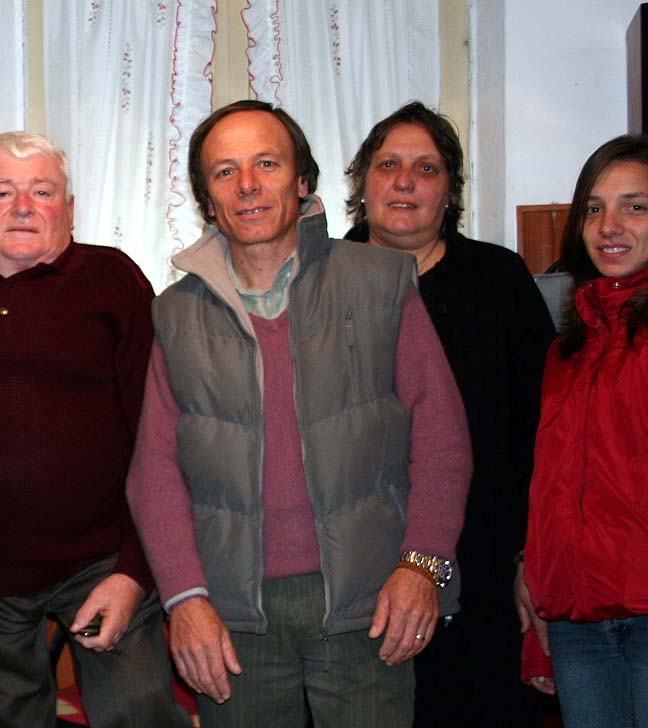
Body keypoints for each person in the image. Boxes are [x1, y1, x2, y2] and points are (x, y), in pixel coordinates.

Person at [125, 99, 472, 728]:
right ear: (207, 200)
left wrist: (422, 564)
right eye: (225, 172)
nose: (247, 185)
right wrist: (184, 600)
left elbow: (442, 440)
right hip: (233, 619)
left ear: (302, 180)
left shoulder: (380, 281)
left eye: (267, 163)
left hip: (370, 606)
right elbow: (155, 474)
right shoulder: (176, 313)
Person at [0, 132, 190, 728]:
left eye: (42, 192)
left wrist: (135, 570)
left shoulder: (112, 280)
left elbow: (159, 433)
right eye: (1, 192)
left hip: (102, 562)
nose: (23, 207)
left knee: (140, 714)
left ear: (70, 209)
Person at [344, 101, 556, 727]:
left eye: (426, 168)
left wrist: (531, 558)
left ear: (450, 191)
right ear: (362, 184)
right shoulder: (318, 281)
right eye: (388, 165)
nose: (405, 182)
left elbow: (542, 430)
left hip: (485, 571)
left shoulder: (499, 280)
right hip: (350, 582)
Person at [516, 134, 648, 727]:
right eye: (594, 208)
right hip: (577, 624)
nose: (609, 226)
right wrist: (538, 585)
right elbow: (553, 486)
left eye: (635, 206)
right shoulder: (566, 350)